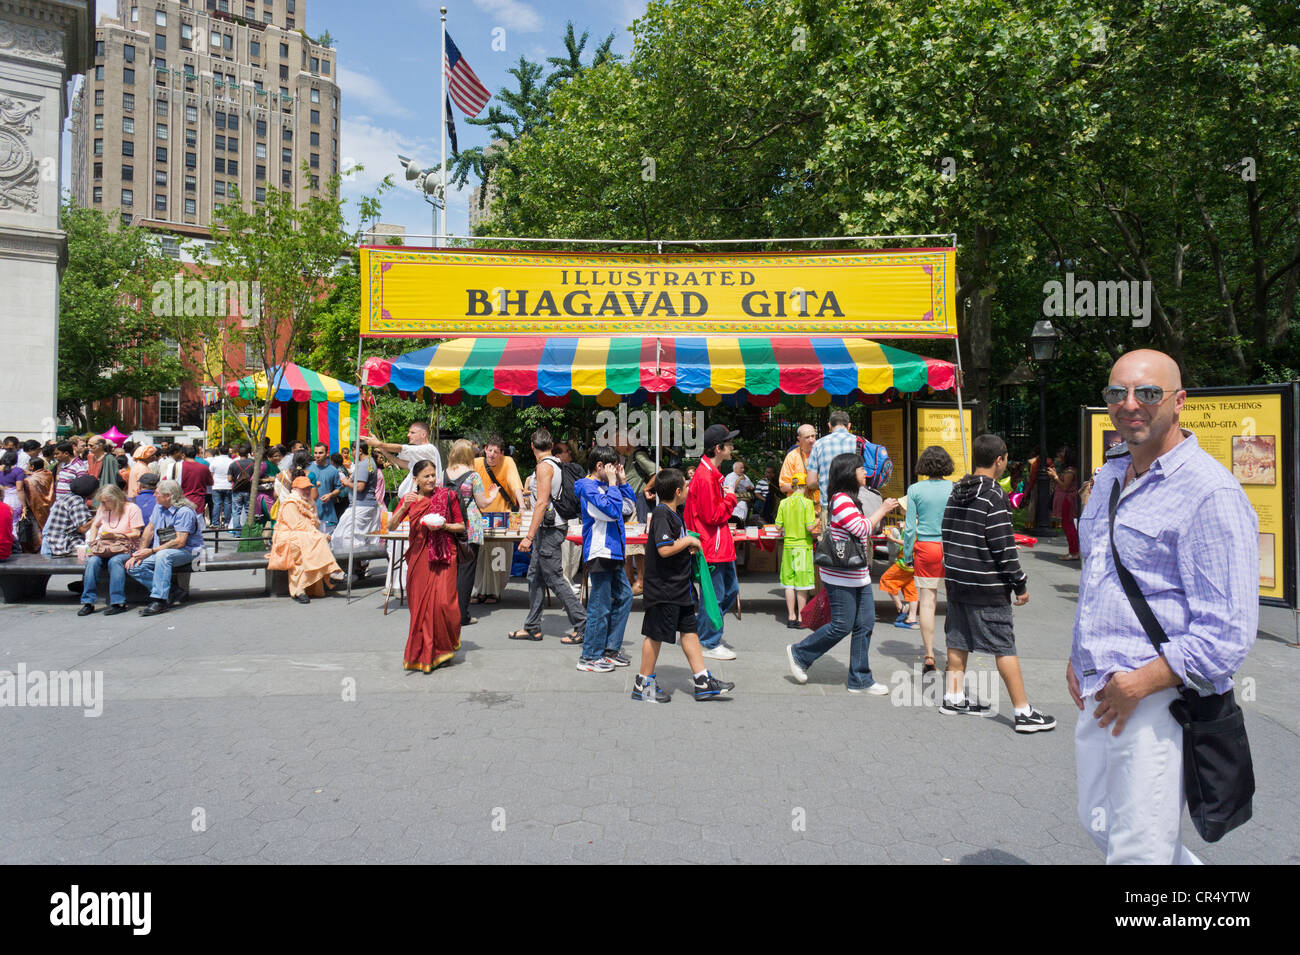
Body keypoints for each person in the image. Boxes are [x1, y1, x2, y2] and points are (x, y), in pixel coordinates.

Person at [1070, 349, 1257, 864]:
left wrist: (1142, 682)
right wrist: (1075, 655)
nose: (1131, 405)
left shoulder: (1209, 491)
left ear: (1179, 402)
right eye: (1118, 393)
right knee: (1101, 823)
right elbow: (1099, 578)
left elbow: (1228, 634)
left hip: (1158, 698)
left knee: (1138, 851)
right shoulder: (1110, 476)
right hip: (1100, 686)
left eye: (1148, 393)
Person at [940, 433, 1054, 731]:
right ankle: (1023, 711)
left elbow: (947, 532)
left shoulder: (956, 491)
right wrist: (1020, 583)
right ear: (1000, 459)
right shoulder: (993, 495)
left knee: (957, 638)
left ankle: (953, 696)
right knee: (1004, 645)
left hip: (956, 579)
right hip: (987, 584)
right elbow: (1002, 545)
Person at [786, 453, 898, 694]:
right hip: (841, 575)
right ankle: (800, 653)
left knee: (865, 624)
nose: (865, 474)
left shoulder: (851, 498)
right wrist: (884, 508)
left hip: (857, 573)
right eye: (860, 470)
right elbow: (862, 529)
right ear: (849, 473)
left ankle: (860, 678)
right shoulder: (841, 500)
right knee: (841, 625)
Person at [634, 467, 736, 702]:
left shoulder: (673, 514)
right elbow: (664, 548)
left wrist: (686, 545)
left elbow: (673, 544)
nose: (689, 490)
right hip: (664, 589)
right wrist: (689, 540)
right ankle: (643, 684)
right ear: (678, 491)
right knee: (654, 635)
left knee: (690, 632)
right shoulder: (661, 514)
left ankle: (702, 681)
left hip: (680, 588)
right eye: (686, 486)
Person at [511, 429, 587, 643]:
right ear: (551, 445)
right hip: (549, 529)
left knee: (554, 577)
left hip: (550, 529)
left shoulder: (544, 467)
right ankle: (533, 626)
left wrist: (528, 535)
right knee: (534, 576)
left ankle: (582, 623)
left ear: (532, 446)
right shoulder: (554, 464)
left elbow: (543, 503)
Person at [390, 459, 464, 672]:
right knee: (421, 609)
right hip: (419, 557)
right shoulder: (409, 499)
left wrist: (445, 525)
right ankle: (426, 653)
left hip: (444, 555)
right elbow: (392, 525)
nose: (431, 479)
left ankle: (446, 645)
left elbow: (461, 526)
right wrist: (404, 506)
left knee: (445, 604)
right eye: (426, 476)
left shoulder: (448, 496)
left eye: (433, 475)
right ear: (416, 479)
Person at [574, 445, 637, 671]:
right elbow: (611, 511)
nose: (615, 470)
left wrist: (622, 482)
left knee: (625, 596)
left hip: (615, 551)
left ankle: (610, 649)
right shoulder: (587, 488)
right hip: (600, 551)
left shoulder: (606, 486)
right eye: (611, 467)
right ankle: (590, 656)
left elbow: (628, 508)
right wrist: (612, 485)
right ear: (599, 466)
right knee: (599, 606)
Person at [684, 424, 741, 660]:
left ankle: (704, 631)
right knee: (715, 595)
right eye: (729, 444)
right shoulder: (706, 477)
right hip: (712, 546)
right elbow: (713, 516)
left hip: (716, 544)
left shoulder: (709, 474)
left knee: (728, 591)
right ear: (718, 448)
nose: (732, 448)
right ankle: (709, 640)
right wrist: (731, 498)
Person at [904, 445, 956, 675]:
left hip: (925, 547)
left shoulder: (915, 489)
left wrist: (907, 555)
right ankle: (953, 656)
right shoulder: (955, 488)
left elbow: (908, 529)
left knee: (926, 602)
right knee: (954, 604)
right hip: (952, 547)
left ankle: (929, 655)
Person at [126, 479, 204, 617]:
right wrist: (139, 553)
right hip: (163, 550)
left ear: (168, 496)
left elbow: (180, 541)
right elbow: (149, 529)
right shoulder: (159, 507)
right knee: (133, 566)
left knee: (164, 555)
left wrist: (150, 551)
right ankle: (172, 592)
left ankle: (159, 600)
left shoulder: (184, 512)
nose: (154, 496)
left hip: (190, 551)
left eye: (157, 493)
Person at [442, 439, 495, 626]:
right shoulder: (473, 476)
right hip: (470, 527)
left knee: (451, 570)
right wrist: (493, 495)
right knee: (466, 571)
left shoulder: (444, 475)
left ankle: (447, 611)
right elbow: (482, 503)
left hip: (449, 526)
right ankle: (462, 615)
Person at [268, 476, 343, 604]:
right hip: (288, 536)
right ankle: (332, 570)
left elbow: (313, 523)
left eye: (308, 487)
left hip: (304, 535)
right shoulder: (290, 503)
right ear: (295, 489)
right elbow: (296, 525)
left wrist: (315, 529)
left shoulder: (309, 501)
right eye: (304, 488)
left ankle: (300, 590)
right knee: (316, 541)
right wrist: (316, 532)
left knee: (311, 550)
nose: (307, 491)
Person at [472, 434, 524, 605]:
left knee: (498, 556)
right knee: (479, 557)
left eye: (496, 451)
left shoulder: (508, 462)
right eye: (490, 450)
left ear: (502, 453)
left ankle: (494, 591)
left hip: (502, 517)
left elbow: (515, 484)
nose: (492, 454)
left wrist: (522, 504)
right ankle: (479, 590)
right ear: (485, 449)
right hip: (480, 517)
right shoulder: (477, 463)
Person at [78, 485, 144, 616]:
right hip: (105, 546)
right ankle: (88, 602)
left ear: (116, 499)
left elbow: (136, 533)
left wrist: (116, 535)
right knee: (92, 562)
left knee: (115, 562)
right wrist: (91, 544)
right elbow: (95, 526)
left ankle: (118, 602)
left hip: (125, 547)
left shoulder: (132, 509)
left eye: (105, 501)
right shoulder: (103, 509)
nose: (102, 504)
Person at [331, 442, 383, 577]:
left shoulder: (365, 464)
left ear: (359, 451)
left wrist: (347, 482)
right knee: (362, 537)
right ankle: (359, 567)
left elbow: (360, 487)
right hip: (366, 505)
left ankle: (354, 568)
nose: (351, 453)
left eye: (353, 451)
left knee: (345, 536)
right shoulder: (370, 462)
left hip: (361, 505)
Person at [774, 472, 819, 627]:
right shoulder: (807, 503)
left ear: (792, 486)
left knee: (789, 583)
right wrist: (818, 519)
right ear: (805, 485)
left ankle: (790, 617)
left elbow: (778, 526)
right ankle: (800, 617)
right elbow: (809, 527)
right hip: (802, 548)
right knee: (802, 584)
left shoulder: (784, 503)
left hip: (788, 547)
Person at [364, 421, 443, 498]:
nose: (408, 435)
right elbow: (401, 463)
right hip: (411, 500)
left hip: (419, 500)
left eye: (412, 432)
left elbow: (401, 448)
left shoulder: (428, 449)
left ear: (423, 434)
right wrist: (382, 449)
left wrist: (379, 444)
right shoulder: (421, 455)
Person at [804, 410, 859, 509]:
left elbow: (811, 482)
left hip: (829, 505)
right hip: (855, 505)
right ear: (849, 425)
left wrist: (825, 481)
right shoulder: (860, 443)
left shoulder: (819, 444)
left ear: (829, 425)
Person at [41, 474, 98, 557]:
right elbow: (82, 528)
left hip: (53, 541)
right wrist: (99, 516)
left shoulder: (67, 497)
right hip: (63, 544)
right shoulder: (77, 501)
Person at [878, 524, 919, 630]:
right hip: (914, 563)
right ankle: (912, 619)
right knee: (910, 589)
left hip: (904, 563)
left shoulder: (912, 524)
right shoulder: (915, 523)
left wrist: (892, 539)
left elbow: (909, 544)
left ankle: (901, 607)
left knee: (886, 579)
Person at [1048, 449, 1080, 560]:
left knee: (1068, 525)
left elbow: (1065, 486)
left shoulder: (1070, 471)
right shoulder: (1069, 470)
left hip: (1068, 500)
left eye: (1060, 456)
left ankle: (1074, 552)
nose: (1059, 458)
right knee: (1068, 525)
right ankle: (1073, 551)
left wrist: (1055, 476)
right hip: (1067, 499)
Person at [16, 457, 54, 553]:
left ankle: (38, 547)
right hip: (48, 505)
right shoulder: (48, 474)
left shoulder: (29, 481)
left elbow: (30, 494)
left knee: (36, 528)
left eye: (28, 465)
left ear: (32, 467)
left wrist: (25, 506)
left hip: (35, 506)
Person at [307, 443, 342, 532]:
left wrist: (330, 495)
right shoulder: (307, 468)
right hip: (309, 513)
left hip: (328, 514)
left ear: (327, 453)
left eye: (320, 453)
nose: (317, 455)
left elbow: (339, 488)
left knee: (327, 543)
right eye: (315, 453)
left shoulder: (333, 470)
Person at [779, 425, 817, 499]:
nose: (811, 440)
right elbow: (783, 487)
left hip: (819, 507)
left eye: (813, 436)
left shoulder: (821, 454)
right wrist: (803, 487)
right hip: (799, 507)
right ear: (799, 439)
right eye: (807, 437)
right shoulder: (792, 456)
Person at [179, 445, 213, 514]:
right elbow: (210, 482)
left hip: (182, 499)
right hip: (198, 500)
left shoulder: (178, 466)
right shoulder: (204, 467)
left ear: (183, 455)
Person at [723, 459, 754, 528]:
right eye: (741, 468)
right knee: (737, 514)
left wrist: (749, 487)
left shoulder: (745, 476)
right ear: (735, 468)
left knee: (743, 508)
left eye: (743, 468)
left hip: (743, 498)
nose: (743, 470)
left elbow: (752, 486)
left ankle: (742, 524)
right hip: (733, 499)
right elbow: (732, 489)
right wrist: (739, 479)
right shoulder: (730, 476)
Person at [208, 444, 234, 528]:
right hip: (228, 485)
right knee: (227, 504)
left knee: (217, 504)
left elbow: (211, 474)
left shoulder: (214, 461)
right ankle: (227, 522)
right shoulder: (231, 461)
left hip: (216, 485)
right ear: (228, 452)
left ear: (219, 452)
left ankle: (215, 522)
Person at [0, 449, 24, 537]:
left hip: (2, 498)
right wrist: (24, 506)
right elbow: (19, 489)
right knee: (13, 524)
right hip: (14, 499)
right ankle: (14, 545)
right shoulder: (18, 471)